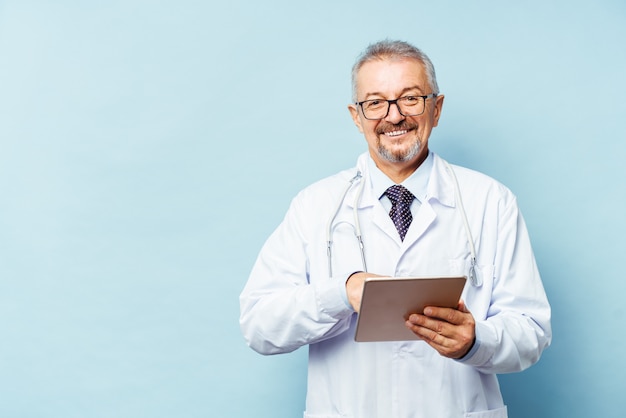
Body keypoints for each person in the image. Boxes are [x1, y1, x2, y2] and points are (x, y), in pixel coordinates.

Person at [239, 39, 551, 418]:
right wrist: (342, 292)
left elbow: (532, 332)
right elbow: (258, 325)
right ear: (356, 117)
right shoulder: (315, 206)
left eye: (410, 98)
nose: (394, 115)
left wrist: (475, 341)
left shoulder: (491, 201)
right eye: (375, 102)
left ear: (436, 109)